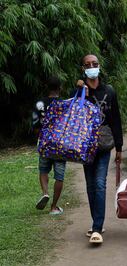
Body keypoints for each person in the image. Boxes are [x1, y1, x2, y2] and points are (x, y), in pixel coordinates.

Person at [77, 54, 123, 244]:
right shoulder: (79, 90)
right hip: (86, 144)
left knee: (99, 183)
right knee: (90, 185)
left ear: (99, 66)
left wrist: (119, 147)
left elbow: (115, 119)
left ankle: (97, 227)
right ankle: (97, 222)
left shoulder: (109, 91)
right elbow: (75, 116)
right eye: (88, 65)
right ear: (83, 69)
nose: (91, 67)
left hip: (104, 144)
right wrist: (82, 95)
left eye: (94, 64)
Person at [34, 76, 66, 215]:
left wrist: (42, 136)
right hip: (60, 145)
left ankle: (45, 193)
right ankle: (53, 207)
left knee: (43, 170)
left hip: (45, 142)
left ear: (48, 87)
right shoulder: (64, 104)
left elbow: (35, 125)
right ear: (60, 88)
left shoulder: (39, 103)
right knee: (59, 176)